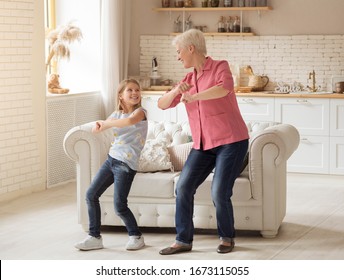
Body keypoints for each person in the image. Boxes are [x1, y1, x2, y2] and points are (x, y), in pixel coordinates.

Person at [158, 29, 249, 255]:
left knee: (219, 190)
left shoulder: (220, 67)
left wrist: (195, 97)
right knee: (184, 186)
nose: (178, 56)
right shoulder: (187, 79)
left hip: (231, 142)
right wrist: (178, 90)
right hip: (203, 145)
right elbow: (162, 104)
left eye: (179, 51)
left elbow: (223, 89)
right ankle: (183, 240)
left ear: (191, 48)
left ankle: (227, 237)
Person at [75, 79, 148, 251]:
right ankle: (94, 237)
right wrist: (98, 125)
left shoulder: (141, 113)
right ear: (121, 96)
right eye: (129, 90)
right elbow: (103, 124)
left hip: (126, 163)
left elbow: (129, 122)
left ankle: (136, 236)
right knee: (91, 195)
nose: (135, 93)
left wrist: (106, 123)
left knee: (119, 205)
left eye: (137, 90)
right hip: (112, 159)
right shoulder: (116, 114)